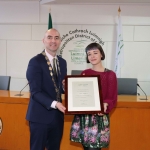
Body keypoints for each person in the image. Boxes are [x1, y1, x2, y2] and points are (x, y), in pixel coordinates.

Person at [70, 43, 117, 150]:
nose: (92, 56)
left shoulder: (110, 74)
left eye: (95, 53)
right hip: (84, 118)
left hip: (99, 118)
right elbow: (79, 93)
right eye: (89, 54)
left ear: (101, 54)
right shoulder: (84, 73)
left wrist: (105, 105)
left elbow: (112, 97)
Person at [26, 28, 67, 150]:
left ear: (60, 41)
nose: (53, 41)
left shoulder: (62, 62)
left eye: (56, 38)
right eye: (49, 38)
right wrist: (55, 104)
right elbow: (35, 92)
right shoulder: (35, 61)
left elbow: (58, 88)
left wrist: (65, 87)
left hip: (57, 117)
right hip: (40, 117)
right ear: (43, 40)